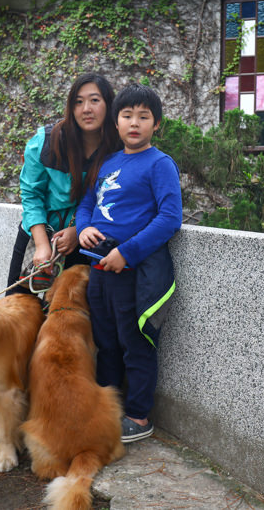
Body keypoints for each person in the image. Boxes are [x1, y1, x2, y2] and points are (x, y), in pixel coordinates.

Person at [0, 72, 121, 425]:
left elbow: (117, 200)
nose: (86, 108)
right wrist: (41, 245)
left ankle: (55, 398)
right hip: (39, 236)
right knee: (15, 316)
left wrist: (77, 230)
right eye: (78, 101)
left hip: (87, 240)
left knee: (71, 323)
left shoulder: (117, 146)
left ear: (108, 104)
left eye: (95, 100)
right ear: (70, 106)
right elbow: (31, 196)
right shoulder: (45, 141)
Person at [76, 84, 182, 443]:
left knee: (134, 343)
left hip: (132, 271)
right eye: (127, 115)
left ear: (156, 125)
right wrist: (82, 228)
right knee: (105, 342)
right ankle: (107, 409)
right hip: (98, 270)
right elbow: (87, 202)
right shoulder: (107, 162)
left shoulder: (160, 164)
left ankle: (137, 417)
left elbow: (170, 218)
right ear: (116, 123)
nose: (134, 123)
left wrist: (127, 252)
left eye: (143, 116)